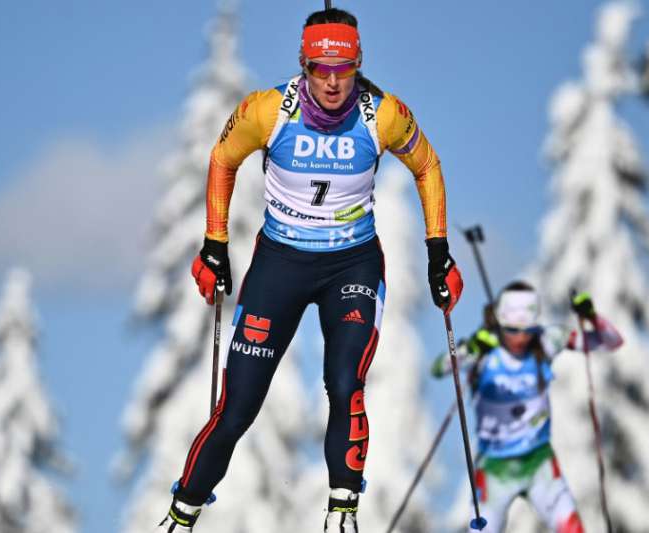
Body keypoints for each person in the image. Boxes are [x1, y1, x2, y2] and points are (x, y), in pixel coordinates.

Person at [158, 8, 463, 532]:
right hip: (281, 263)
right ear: (304, 64)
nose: (332, 82)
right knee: (238, 407)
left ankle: (342, 513)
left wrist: (439, 252)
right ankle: (181, 512)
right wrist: (214, 243)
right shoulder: (268, 109)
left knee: (346, 382)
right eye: (321, 69)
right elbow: (222, 159)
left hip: (353, 263)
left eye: (343, 69)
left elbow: (428, 166)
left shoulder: (382, 114)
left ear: (358, 64)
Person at [431, 281, 623, 533]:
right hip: (494, 469)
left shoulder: (547, 341)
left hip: (538, 462)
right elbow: (438, 369)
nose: (520, 338)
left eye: (526, 330)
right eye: (512, 330)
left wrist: (591, 317)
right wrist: (470, 350)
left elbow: (610, 341)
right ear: (500, 323)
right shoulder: (484, 348)